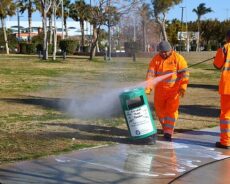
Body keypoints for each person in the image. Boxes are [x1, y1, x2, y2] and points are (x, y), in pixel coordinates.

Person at [145, 41, 189, 141]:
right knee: (160, 112)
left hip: (173, 92)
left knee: (171, 112)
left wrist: (183, 87)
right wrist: (148, 88)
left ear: (171, 50)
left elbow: (185, 74)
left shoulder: (178, 58)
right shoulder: (156, 59)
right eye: (162, 52)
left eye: (166, 52)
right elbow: (150, 75)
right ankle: (165, 127)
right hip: (160, 92)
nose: (164, 54)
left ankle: (168, 132)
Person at [213, 30, 230, 149]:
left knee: (226, 115)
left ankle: (226, 142)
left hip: (228, 87)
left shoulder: (225, 48)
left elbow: (217, 65)